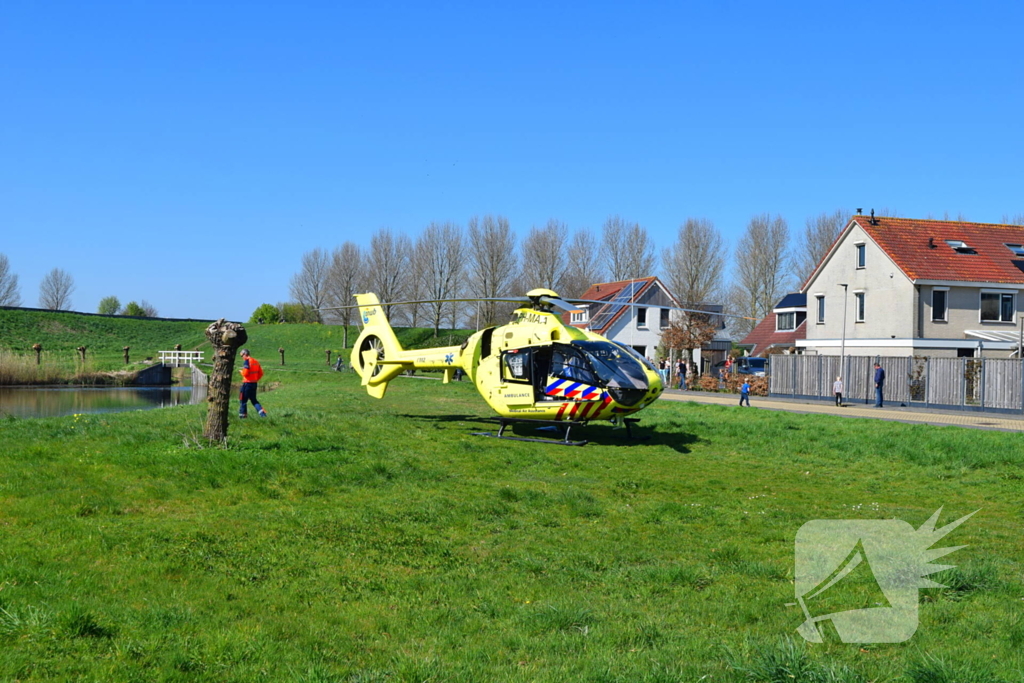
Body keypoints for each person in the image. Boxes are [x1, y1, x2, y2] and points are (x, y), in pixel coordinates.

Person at [238, 349, 267, 418]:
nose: (242, 358)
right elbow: (261, 373)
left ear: (245, 354)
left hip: (247, 384)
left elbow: (245, 373)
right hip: (254, 384)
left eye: (242, 356)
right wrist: (255, 379)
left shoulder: (247, 361)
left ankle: (242, 417)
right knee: (254, 400)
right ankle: (263, 414)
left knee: (243, 400)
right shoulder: (256, 361)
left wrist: (241, 372)